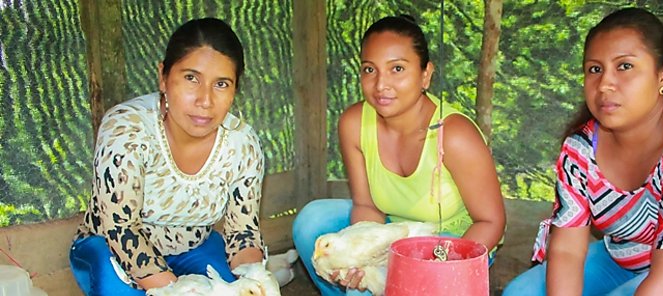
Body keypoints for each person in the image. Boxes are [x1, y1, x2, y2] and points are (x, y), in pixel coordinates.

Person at [503, 8, 663, 296]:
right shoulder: (581, 148)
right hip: (625, 258)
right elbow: (567, 250)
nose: (605, 83)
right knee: (522, 293)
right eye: (595, 69)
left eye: (625, 66)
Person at [292, 15, 506, 296]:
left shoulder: (453, 134)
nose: (381, 84)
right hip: (393, 230)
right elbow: (367, 207)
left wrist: (436, 269)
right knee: (312, 221)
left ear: (425, 75)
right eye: (370, 70)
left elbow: (491, 222)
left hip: (453, 242)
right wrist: (363, 259)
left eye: (397, 69)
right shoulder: (354, 124)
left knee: (402, 285)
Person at [69, 18, 266, 295]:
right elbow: (121, 228)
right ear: (163, 76)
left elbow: (242, 233)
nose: (205, 100)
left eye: (221, 84)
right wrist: (174, 290)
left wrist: (254, 280)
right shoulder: (127, 129)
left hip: (193, 246)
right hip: (111, 247)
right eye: (191, 78)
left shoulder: (242, 144)